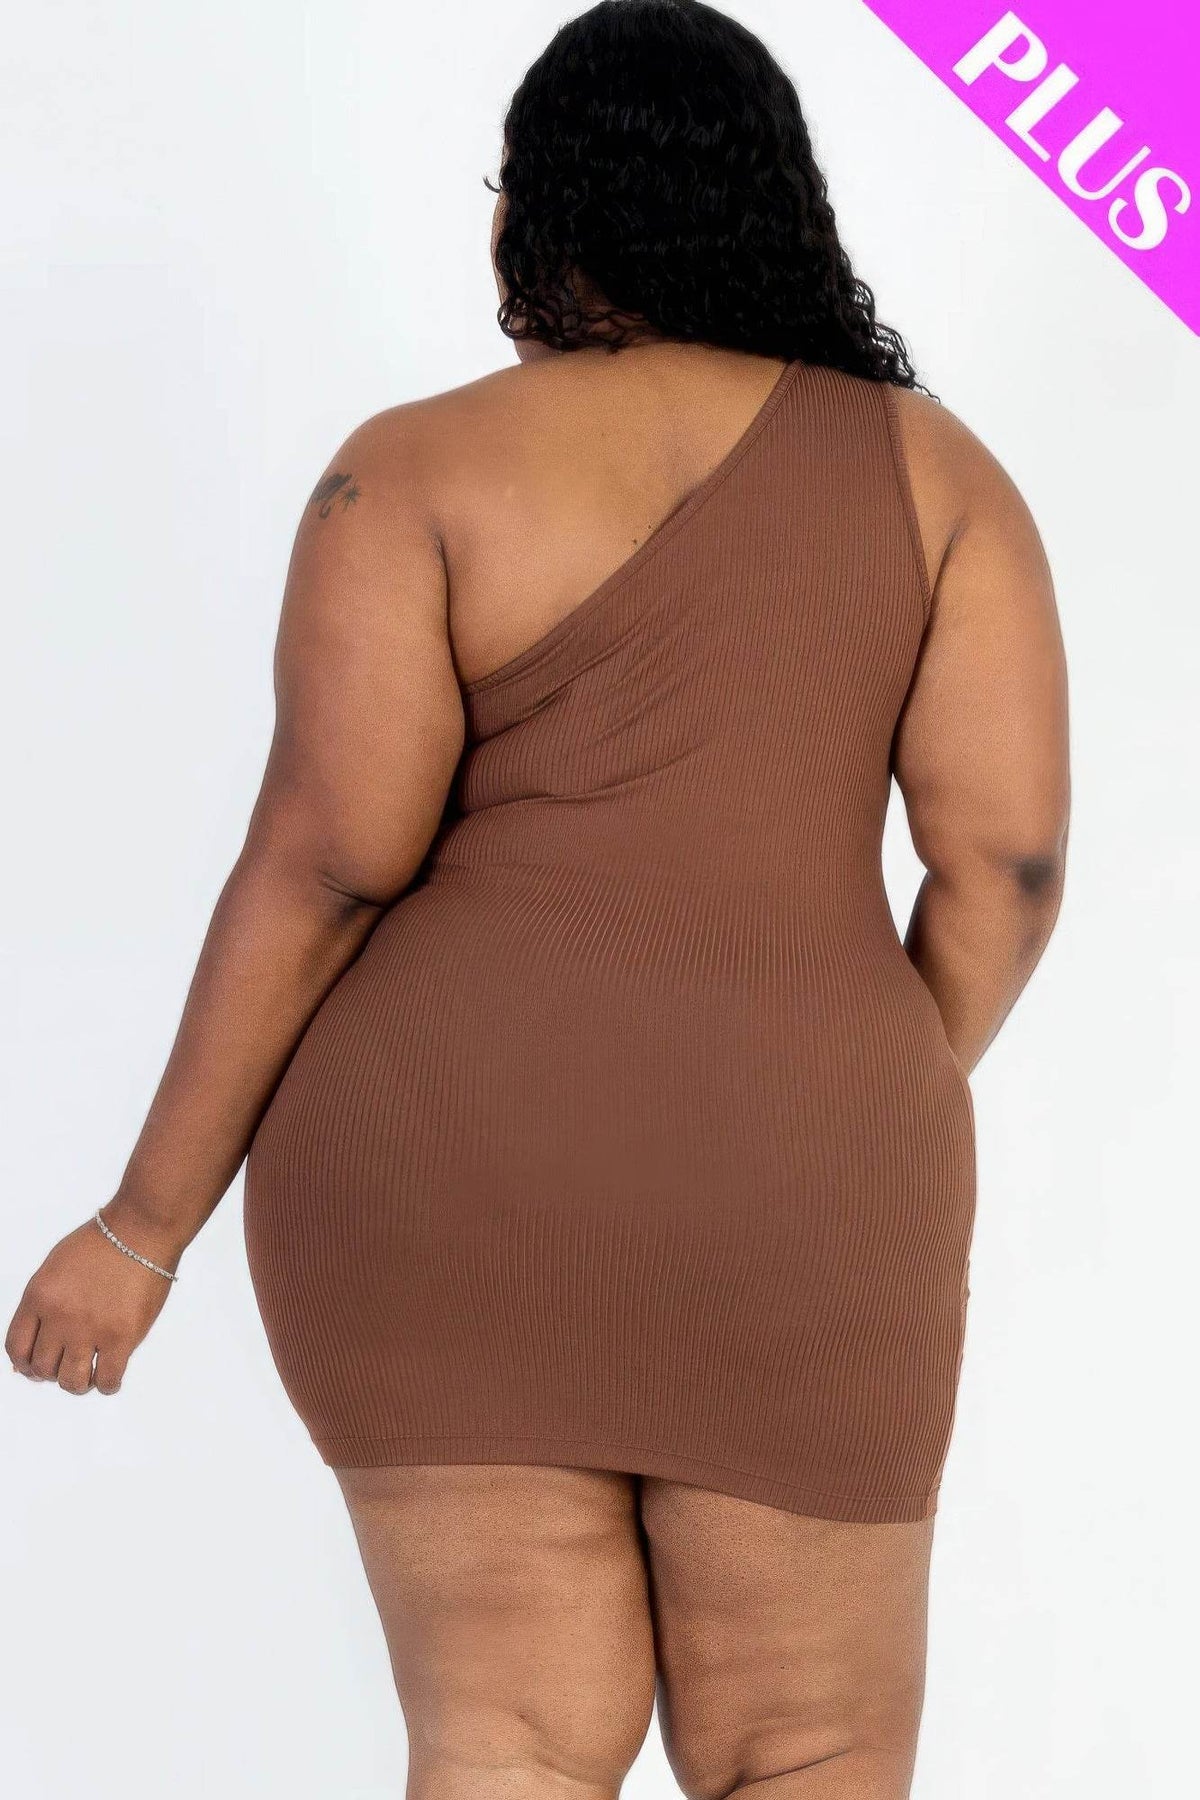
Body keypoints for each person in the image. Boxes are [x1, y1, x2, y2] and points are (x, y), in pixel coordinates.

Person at [6, 3, 1069, 1795]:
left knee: (502, 1736)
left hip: (444, 1163)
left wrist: (139, 1231)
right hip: (803, 1176)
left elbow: (330, 858)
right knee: (808, 1748)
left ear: (543, 209)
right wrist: (826, 1093)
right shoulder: (941, 478)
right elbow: (1009, 866)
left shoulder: (412, 468)